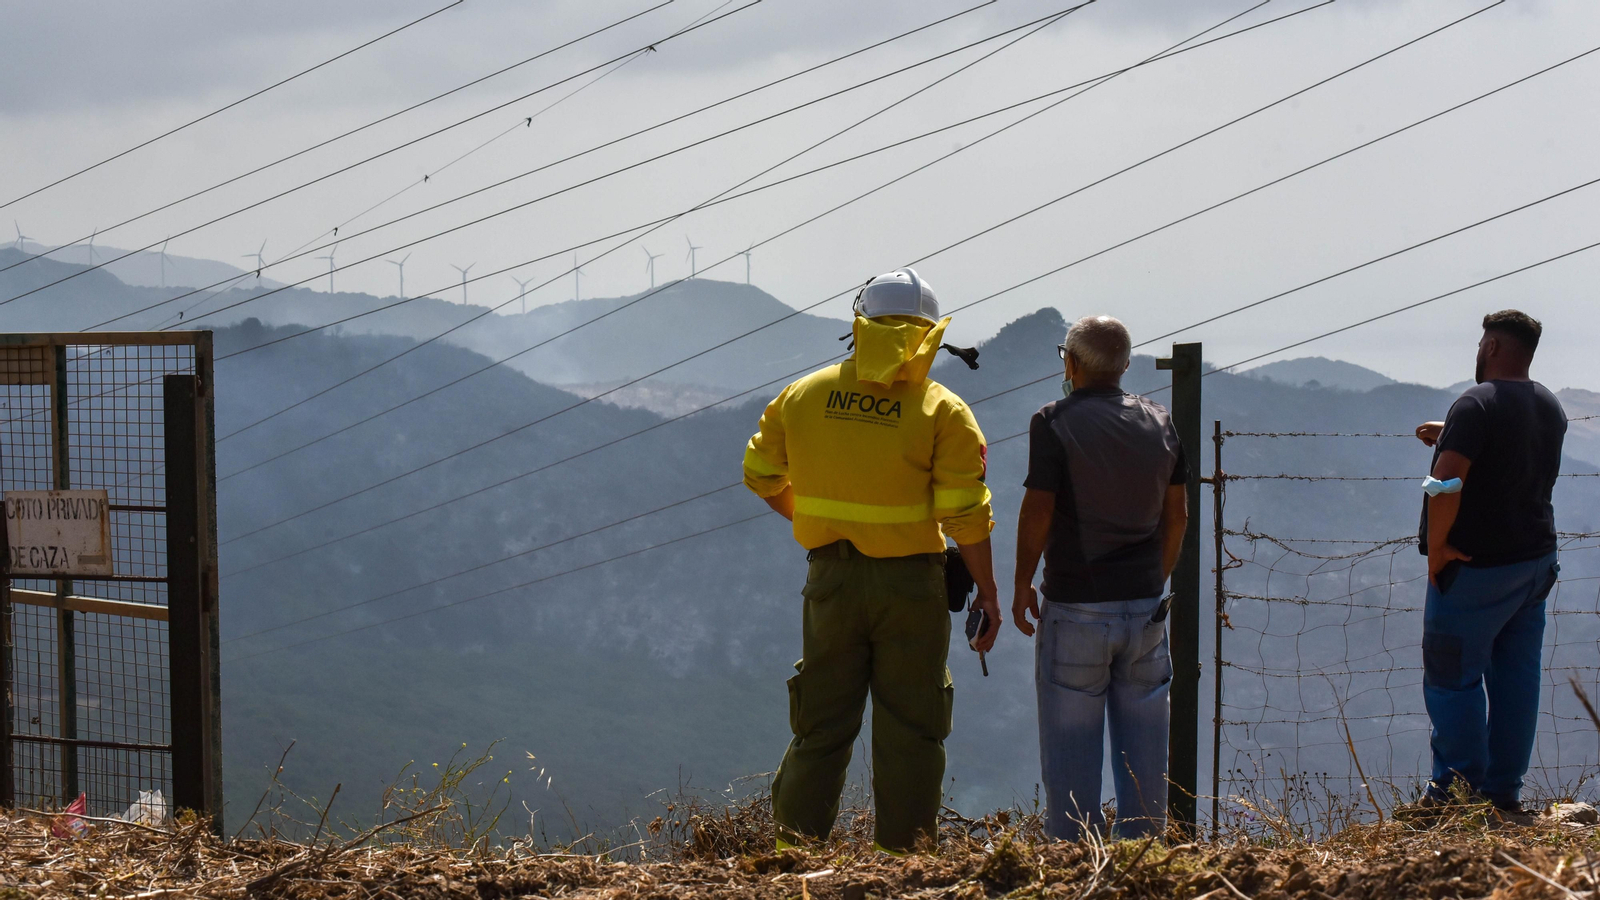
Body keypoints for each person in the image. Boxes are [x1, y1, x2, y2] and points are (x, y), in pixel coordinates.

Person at [742, 267, 1001, 854]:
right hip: (913, 588)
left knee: (822, 723)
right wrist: (987, 592)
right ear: (931, 335)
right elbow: (965, 515)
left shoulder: (803, 394)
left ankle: (792, 858)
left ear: (859, 324)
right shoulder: (945, 410)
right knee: (912, 728)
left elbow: (759, 474)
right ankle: (901, 862)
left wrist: (822, 525)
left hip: (829, 579)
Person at [1011, 315, 1189, 842]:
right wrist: (1153, 580)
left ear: (1070, 362)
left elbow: (1037, 511)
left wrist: (1022, 583)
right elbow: (1177, 516)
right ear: (1125, 366)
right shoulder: (1161, 421)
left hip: (1077, 611)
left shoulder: (1053, 421)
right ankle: (1144, 866)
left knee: (1071, 760)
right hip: (1146, 612)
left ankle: (1072, 867)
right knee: (1146, 758)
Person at [1413, 309, 1565, 816]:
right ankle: (1503, 794)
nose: (1478, 351)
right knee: (1516, 677)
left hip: (1476, 568)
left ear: (1494, 347)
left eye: (1482, 343)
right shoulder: (1549, 405)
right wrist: (1452, 431)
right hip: (1535, 563)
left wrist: (1437, 551)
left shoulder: (1474, 404)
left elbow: (1446, 484)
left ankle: (1453, 796)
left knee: (1452, 678)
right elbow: (1512, 454)